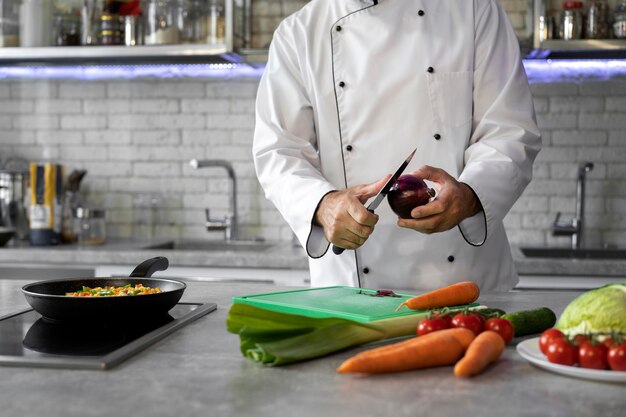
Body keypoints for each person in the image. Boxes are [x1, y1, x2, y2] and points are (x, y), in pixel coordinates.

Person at [253, 0, 541, 291]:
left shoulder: (475, 9)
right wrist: (323, 205)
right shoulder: (298, 34)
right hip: (351, 286)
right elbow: (278, 153)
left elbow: (509, 131)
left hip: (463, 279)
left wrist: (469, 195)